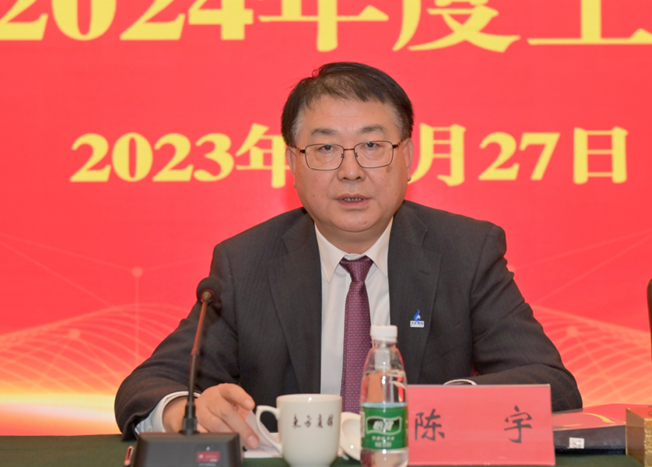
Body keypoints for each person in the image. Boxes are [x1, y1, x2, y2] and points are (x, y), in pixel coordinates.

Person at [115, 62, 582, 446]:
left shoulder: (466, 251)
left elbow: (553, 385)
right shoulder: (246, 263)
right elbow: (148, 386)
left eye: (372, 146)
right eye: (325, 148)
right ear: (292, 163)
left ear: (408, 156)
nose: (351, 171)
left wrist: (444, 408)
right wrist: (187, 411)